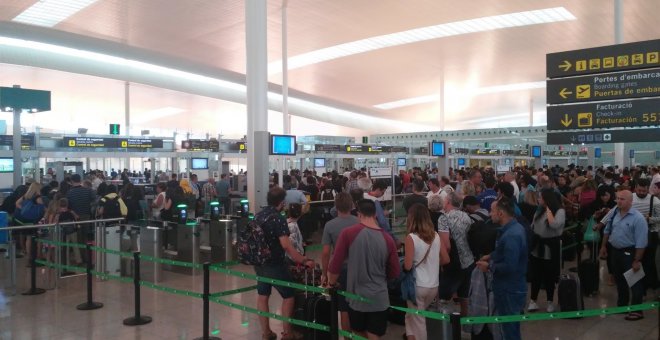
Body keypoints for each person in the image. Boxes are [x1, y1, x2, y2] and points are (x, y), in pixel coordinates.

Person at [328, 199, 400, 340]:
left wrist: (331, 282)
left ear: (359, 214)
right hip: (380, 298)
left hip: (357, 298)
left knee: (358, 332)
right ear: (375, 215)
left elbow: (335, 265)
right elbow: (394, 272)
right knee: (374, 334)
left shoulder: (348, 233)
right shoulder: (388, 239)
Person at [255, 187, 314, 340]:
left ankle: (266, 332)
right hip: (274, 263)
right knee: (289, 295)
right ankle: (288, 334)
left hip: (259, 262)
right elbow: (286, 245)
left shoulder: (258, 215)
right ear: (282, 203)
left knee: (263, 296)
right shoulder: (277, 218)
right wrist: (302, 259)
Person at [475, 197, 528, 340]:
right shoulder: (513, 229)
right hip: (509, 287)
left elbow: (510, 266)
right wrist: (491, 256)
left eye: (492, 211)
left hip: (509, 289)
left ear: (501, 214)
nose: (489, 214)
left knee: (509, 331)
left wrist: (489, 266)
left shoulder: (512, 236)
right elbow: (505, 253)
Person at [599, 189, 648, 321]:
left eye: (622, 199)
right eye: (618, 199)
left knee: (635, 282)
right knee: (619, 281)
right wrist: (603, 246)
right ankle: (622, 306)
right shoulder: (615, 213)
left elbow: (641, 242)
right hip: (615, 252)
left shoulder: (638, 218)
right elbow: (607, 230)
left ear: (631, 202)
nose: (619, 201)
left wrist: (637, 260)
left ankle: (637, 311)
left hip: (630, 253)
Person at [403, 203, 447, 340]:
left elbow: (408, 266)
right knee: (412, 317)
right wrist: (432, 263)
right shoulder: (436, 236)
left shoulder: (411, 238)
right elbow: (446, 259)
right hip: (433, 285)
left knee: (418, 321)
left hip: (417, 286)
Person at [321, 192, 359, 334]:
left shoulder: (330, 225)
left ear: (336, 207)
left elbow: (325, 253)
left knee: (343, 306)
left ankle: (347, 336)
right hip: (359, 268)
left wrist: (325, 274)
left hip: (339, 270)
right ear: (352, 205)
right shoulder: (359, 221)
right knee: (359, 301)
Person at [528, 189, 566, 313]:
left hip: (551, 246)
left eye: (541, 198)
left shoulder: (559, 211)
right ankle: (533, 300)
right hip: (537, 245)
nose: (538, 200)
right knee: (536, 275)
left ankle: (550, 301)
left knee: (549, 275)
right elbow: (532, 226)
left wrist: (549, 211)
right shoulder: (539, 210)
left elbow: (555, 225)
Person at [437, 191, 474, 316]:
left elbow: (446, 245)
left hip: (453, 262)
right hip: (468, 260)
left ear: (448, 202)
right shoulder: (466, 216)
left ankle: (446, 326)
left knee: (444, 295)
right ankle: (465, 319)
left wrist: (442, 263)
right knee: (464, 292)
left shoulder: (444, 218)